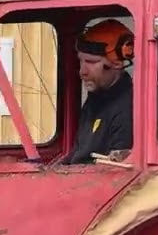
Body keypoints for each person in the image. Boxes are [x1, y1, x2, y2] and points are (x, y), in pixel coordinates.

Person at [58, 19, 135, 165]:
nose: (82, 72)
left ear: (117, 64)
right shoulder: (96, 100)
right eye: (81, 61)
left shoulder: (127, 110)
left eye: (92, 62)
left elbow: (116, 172)